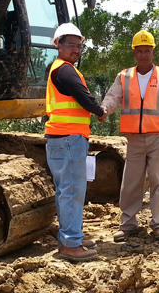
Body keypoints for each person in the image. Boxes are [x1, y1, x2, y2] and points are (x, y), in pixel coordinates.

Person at [99, 30, 159, 242]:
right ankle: (128, 223)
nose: (144, 54)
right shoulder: (124, 76)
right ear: (134, 53)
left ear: (153, 52)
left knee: (158, 180)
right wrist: (105, 109)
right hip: (134, 138)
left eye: (147, 51)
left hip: (158, 137)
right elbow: (113, 97)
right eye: (140, 51)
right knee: (131, 181)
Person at [45, 23, 106, 261]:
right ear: (58, 45)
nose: (76, 49)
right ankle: (70, 244)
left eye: (79, 46)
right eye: (70, 45)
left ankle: (72, 237)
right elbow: (83, 96)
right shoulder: (65, 70)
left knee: (66, 191)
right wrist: (99, 110)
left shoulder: (60, 69)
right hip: (69, 139)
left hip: (62, 138)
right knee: (72, 191)